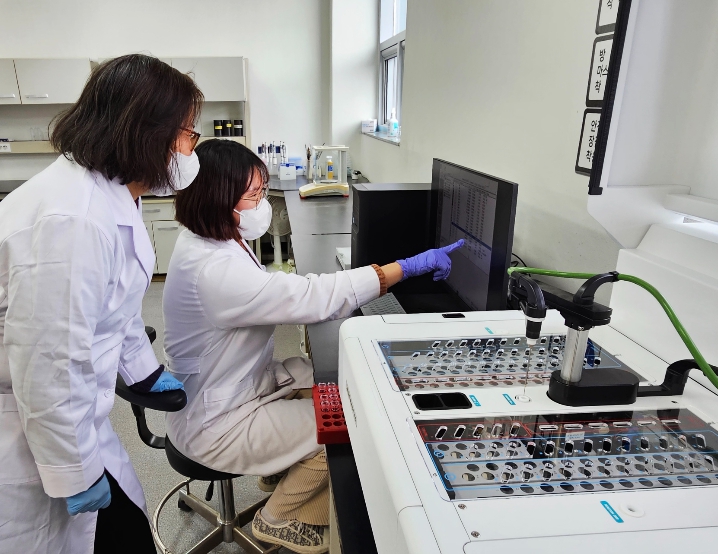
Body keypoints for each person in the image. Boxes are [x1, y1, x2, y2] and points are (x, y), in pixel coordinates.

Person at [163, 139, 464, 554]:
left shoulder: (209, 239)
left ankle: (279, 466)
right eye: (253, 196)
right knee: (346, 425)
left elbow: (280, 292)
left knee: (331, 383)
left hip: (229, 388)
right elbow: (312, 298)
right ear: (217, 199)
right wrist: (405, 268)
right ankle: (279, 517)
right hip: (216, 423)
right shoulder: (213, 270)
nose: (261, 205)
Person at [0, 55, 201, 554]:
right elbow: (48, 363)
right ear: (147, 133)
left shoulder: (113, 193)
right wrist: (74, 471)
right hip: (30, 431)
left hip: (71, 416)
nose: (191, 149)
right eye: (187, 134)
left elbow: (117, 308)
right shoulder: (72, 220)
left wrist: (144, 373)